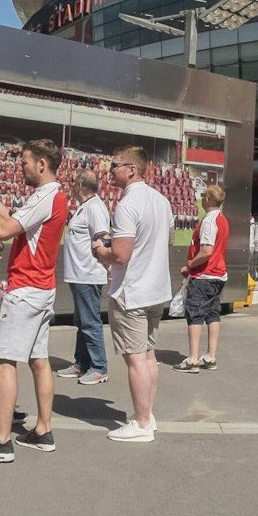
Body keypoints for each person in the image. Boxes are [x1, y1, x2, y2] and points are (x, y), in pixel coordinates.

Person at [0, 140, 69, 463]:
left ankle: (1, 441)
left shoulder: (46, 196)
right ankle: (42, 430)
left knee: (5, 361)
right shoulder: (51, 196)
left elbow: (4, 229)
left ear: (41, 164)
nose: (20, 167)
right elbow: (14, 217)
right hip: (42, 287)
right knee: (39, 360)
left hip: (26, 289)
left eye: (25, 162)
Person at [94, 145, 174, 441]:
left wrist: (100, 250)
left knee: (136, 359)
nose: (110, 171)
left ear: (131, 169)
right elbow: (164, 240)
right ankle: (147, 416)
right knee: (149, 356)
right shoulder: (161, 201)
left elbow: (121, 255)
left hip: (133, 291)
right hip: (155, 289)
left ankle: (141, 424)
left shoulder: (127, 205)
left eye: (114, 165)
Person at [56, 169, 111, 387]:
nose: (70, 186)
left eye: (73, 183)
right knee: (82, 322)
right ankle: (82, 363)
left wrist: (106, 264)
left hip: (87, 274)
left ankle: (99, 367)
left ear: (80, 185)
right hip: (79, 274)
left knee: (90, 322)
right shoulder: (85, 207)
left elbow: (104, 238)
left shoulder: (95, 207)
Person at [176, 183, 230, 373]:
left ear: (207, 199)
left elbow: (206, 251)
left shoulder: (208, 221)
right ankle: (210, 356)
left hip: (204, 275)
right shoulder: (222, 219)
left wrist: (189, 265)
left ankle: (193, 358)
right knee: (213, 314)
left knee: (195, 314)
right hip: (218, 275)